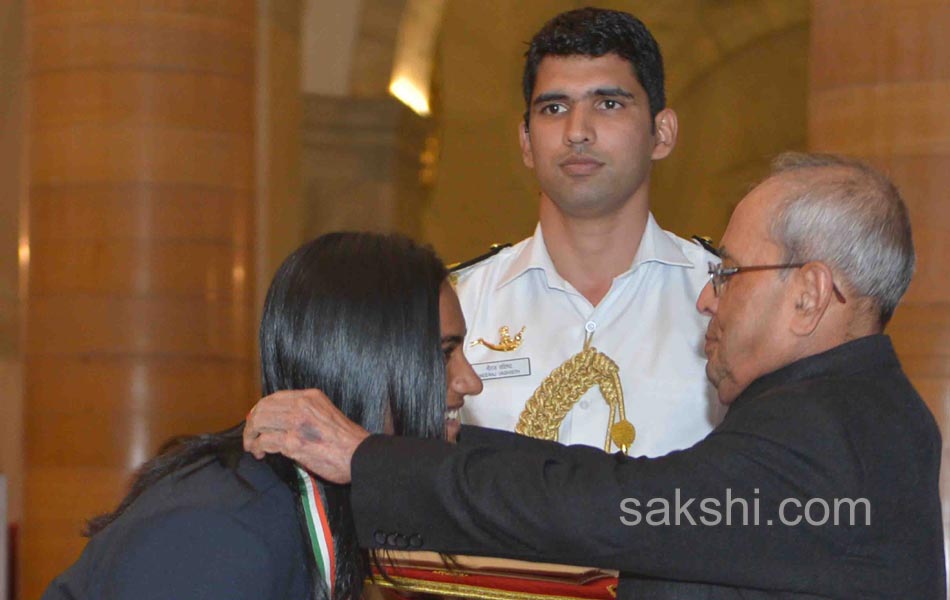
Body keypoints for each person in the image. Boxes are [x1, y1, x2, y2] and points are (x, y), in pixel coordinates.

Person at [245, 153, 945, 599]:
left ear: (809, 295)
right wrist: (436, 444)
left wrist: (370, 458)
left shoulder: (828, 434)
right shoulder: (846, 414)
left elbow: (616, 508)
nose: (708, 296)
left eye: (729, 273)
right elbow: (633, 492)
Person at [42, 232, 482, 600]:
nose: (470, 381)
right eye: (445, 353)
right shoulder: (222, 532)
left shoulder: (303, 501)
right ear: (369, 364)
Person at [456, 7, 721, 457]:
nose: (577, 132)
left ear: (662, 132)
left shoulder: (722, 297)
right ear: (525, 141)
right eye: (554, 108)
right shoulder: (459, 305)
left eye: (609, 104)